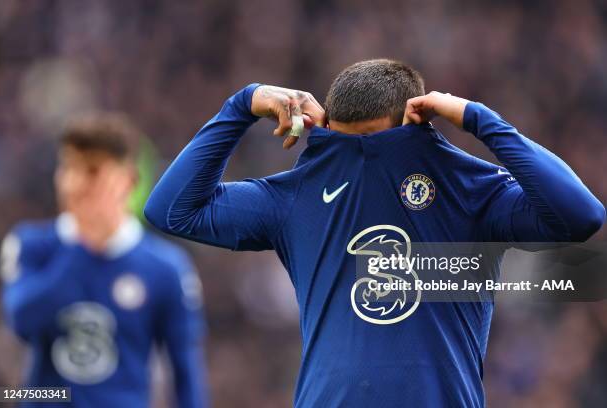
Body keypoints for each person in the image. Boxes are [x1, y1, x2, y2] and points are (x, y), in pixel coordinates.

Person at [143, 59, 605, 407]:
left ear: (415, 125)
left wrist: (480, 120)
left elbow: (580, 215)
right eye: (345, 142)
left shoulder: (467, 188)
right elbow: (172, 211)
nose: (359, 155)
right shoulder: (297, 194)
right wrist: (242, 105)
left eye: (374, 141)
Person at [0, 114, 208, 407]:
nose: (73, 183)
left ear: (128, 181)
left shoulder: (166, 268)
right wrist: (83, 246)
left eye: (92, 172)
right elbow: (23, 322)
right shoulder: (31, 244)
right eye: (68, 167)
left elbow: (185, 374)